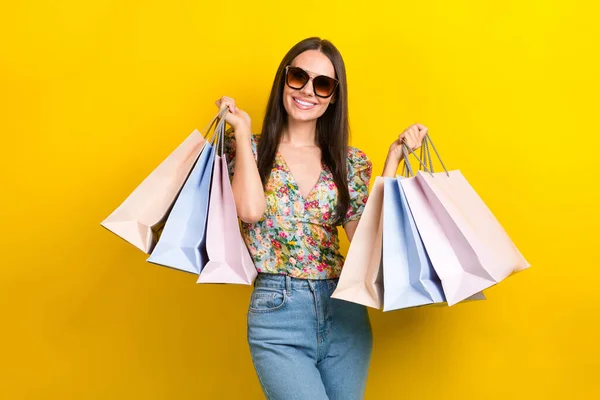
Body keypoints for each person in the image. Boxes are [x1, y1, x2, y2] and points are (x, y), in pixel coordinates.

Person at [215, 37, 427, 400]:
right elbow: (250, 211)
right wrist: (240, 128)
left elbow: (364, 245)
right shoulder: (247, 148)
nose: (308, 91)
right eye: (298, 76)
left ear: (333, 97)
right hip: (278, 312)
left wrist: (392, 160)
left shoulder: (350, 162)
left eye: (323, 84)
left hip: (344, 310)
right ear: (284, 80)